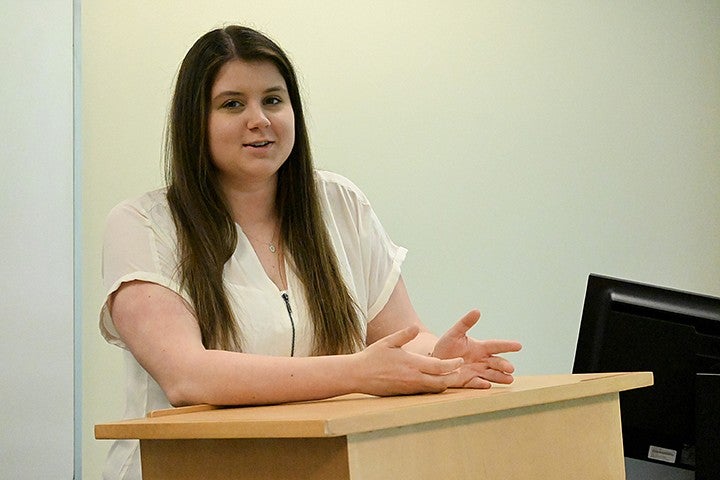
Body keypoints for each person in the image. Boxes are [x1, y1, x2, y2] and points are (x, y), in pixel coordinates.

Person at [99, 25, 522, 479]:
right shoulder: (143, 224)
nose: (259, 119)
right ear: (194, 121)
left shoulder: (340, 204)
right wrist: (357, 374)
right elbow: (188, 376)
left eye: (274, 100)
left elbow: (398, 336)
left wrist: (439, 358)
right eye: (232, 104)